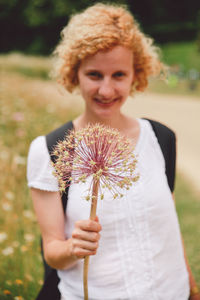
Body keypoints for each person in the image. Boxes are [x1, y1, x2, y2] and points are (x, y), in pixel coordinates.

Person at [27, 3, 200, 300]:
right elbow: (52, 251)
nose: (106, 91)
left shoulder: (160, 138)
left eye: (119, 75)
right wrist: (72, 247)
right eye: (94, 75)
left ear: (136, 74)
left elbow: (168, 230)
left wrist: (192, 288)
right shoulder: (50, 151)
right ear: (74, 73)